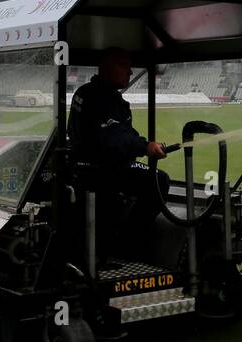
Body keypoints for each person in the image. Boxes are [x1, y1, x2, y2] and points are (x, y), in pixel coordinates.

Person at [68, 47, 170, 222]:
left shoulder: (91, 94)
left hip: (89, 167)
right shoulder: (97, 98)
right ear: (106, 67)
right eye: (124, 66)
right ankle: (131, 236)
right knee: (159, 180)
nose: (130, 72)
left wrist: (142, 145)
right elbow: (113, 138)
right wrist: (145, 147)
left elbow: (123, 134)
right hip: (101, 169)